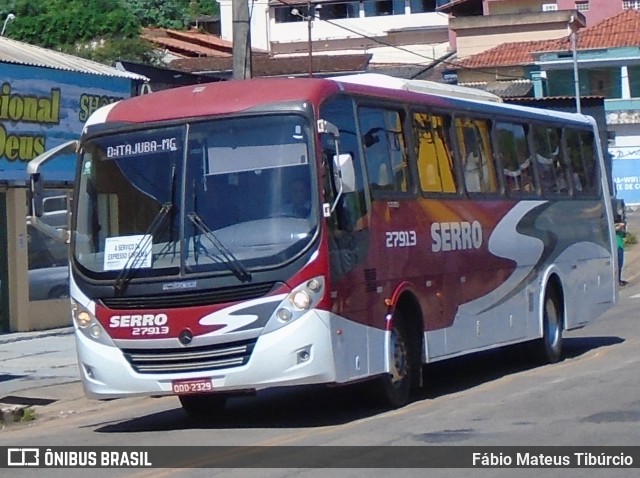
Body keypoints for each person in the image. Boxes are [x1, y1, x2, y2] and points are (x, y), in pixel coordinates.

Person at [615, 218, 628, 287]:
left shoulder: (620, 230)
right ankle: (616, 281)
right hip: (615, 248)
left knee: (620, 265)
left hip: (620, 247)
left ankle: (618, 280)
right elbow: (614, 229)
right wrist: (620, 225)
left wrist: (623, 227)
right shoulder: (611, 226)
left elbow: (624, 235)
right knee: (615, 266)